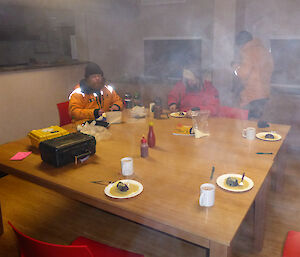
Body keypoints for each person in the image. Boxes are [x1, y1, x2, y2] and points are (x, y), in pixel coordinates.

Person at [232, 31, 274, 119]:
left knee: (248, 123)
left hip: (252, 94)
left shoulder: (248, 51)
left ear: (242, 42)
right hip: (265, 93)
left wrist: (235, 67)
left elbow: (243, 73)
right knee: (257, 120)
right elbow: (270, 69)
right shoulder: (265, 50)